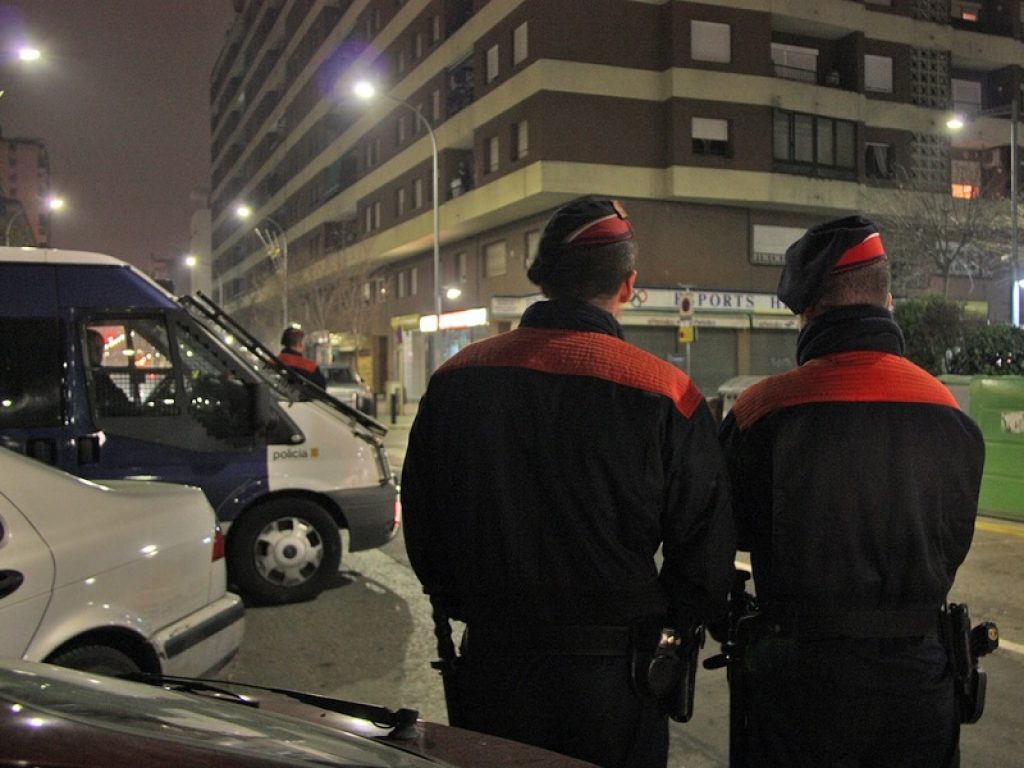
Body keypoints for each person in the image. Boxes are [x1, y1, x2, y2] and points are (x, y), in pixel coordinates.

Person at [401, 196, 736, 768]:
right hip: (617, 679)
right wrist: (674, 624)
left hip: (491, 664)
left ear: (542, 279)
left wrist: (467, 602)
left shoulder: (456, 380)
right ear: (627, 286)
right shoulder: (668, 393)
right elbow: (704, 554)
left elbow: (425, 525)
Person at [718, 215, 985, 767]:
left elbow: (725, 529)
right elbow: (953, 538)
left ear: (809, 311)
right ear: (887, 300)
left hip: (798, 686)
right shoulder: (948, 412)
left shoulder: (762, 411)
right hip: (919, 686)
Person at [85, 328, 132, 416]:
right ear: (85, 349)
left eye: (100, 348)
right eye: (95, 348)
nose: (99, 353)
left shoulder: (98, 373)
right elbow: (114, 398)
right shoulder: (95, 374)